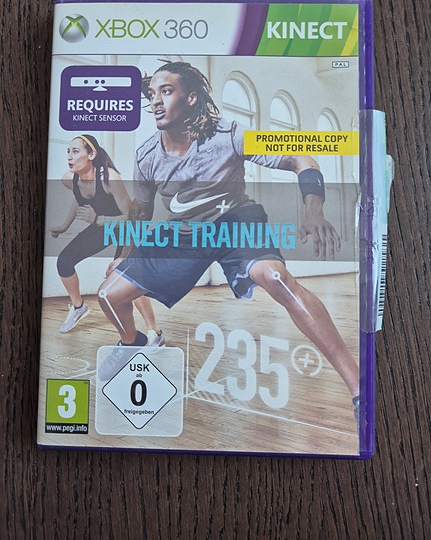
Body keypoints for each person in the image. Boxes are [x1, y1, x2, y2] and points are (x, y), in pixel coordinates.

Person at [97, 61, 359, 420]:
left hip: (235, 221)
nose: (156, 101)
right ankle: (133, 343)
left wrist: (313, 210)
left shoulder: (229, 134)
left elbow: (301, 156)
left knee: (276, 277)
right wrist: (123, 255)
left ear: (191, 98)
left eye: (166, 91)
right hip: (185, 233)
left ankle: (359, 387)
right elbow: (140, 212)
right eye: (152, 94)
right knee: (107, 295)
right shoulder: (146, 156)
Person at [50, 134, 163, 344]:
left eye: (76, 151)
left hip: (125, 228)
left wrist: (98, 219)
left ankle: (155, 332)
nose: (70, 156)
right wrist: (64, 226)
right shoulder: (69, 178)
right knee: (64, 261)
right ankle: (78, 307)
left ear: (91, 154)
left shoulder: (110, 178)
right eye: (68, 151)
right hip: (101, 226)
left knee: (127, 281)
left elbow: (132, 216)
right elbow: (78, 198)